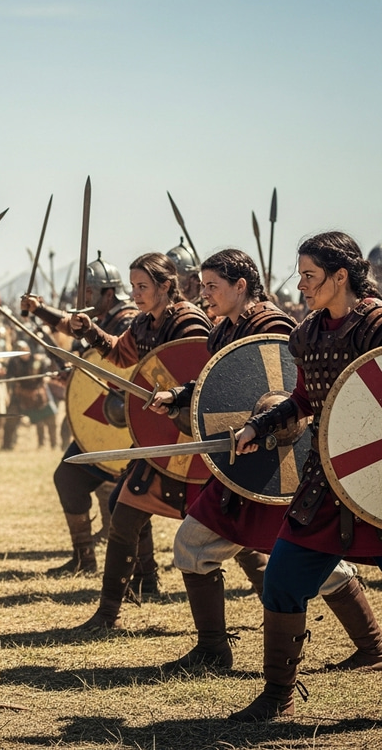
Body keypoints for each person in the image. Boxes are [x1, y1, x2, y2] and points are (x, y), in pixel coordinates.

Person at [149, 249, 362, 672]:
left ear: (240, 286)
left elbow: (292, 392)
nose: (203, 293)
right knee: (195, 546)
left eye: (212, 286)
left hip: (280, 465)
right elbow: (220, 380)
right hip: (244, 462)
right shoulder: (223, 331)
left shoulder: (274, 326)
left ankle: (372, 646)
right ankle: (212, 648)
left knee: (314, 560)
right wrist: (180, 395)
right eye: (203, 285)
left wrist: (261, 424)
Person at [228, 231, 382, 721]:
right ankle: (278, 695)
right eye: (300, 275)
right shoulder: (307, 334)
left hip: (380, 483)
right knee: (283, 577)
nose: (301, 285)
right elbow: (304, 401)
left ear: (341, 276)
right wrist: (261, 424)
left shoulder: (378, 326)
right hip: (330, 480)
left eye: (310, 275)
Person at [69, 252, 213, 629]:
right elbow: (120, 354)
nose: (135, 294)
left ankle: (269, 601)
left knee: (230, 532)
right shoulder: (145, 323)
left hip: (194, 443)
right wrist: (88, 330)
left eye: (143, 287)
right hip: (158, 438)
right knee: (125, 513)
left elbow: (203, 379)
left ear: (166, 286)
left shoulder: (189, 322)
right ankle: (108, 614)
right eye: (132, 286)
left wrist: (175, 398)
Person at [22, 254, 144, 577]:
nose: (86, 299)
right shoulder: (103, 320)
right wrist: (38, 310)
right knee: (68, 477)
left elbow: (127, 370)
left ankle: (145, 572)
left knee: (130, 499)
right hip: (104, 419)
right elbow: (70, 327)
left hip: (129, 425)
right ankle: (84, 559)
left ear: (108, 293)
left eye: (90, 293)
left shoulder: (126, 322)